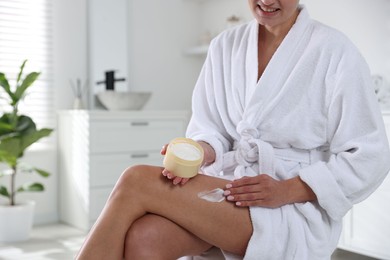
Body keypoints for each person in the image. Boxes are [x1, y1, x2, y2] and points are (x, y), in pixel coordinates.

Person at [76, 0, 390, 259]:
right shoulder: (225, 46)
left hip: (293, 207)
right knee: (145, 239)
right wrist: (198, 152)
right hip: (229, 188)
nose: (266, 1)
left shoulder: (335, 50)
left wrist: (287, 189)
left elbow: (370, 156)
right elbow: (211, 130)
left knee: (135, 180)